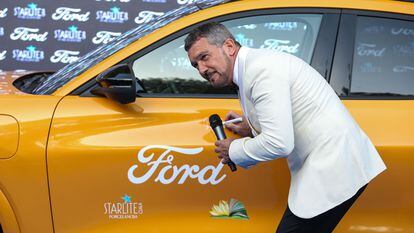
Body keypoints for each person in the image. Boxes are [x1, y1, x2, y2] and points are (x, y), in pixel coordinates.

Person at [184, 22, 386, 233]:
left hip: (334, 169)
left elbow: (278, 143)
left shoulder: (260, 70)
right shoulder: (253, 66)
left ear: (229, 46)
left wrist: (233, 150)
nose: (201, 69)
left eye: (204, 57)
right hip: (336, 165)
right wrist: (252, 127)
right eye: (195, 65)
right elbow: (288, 114)